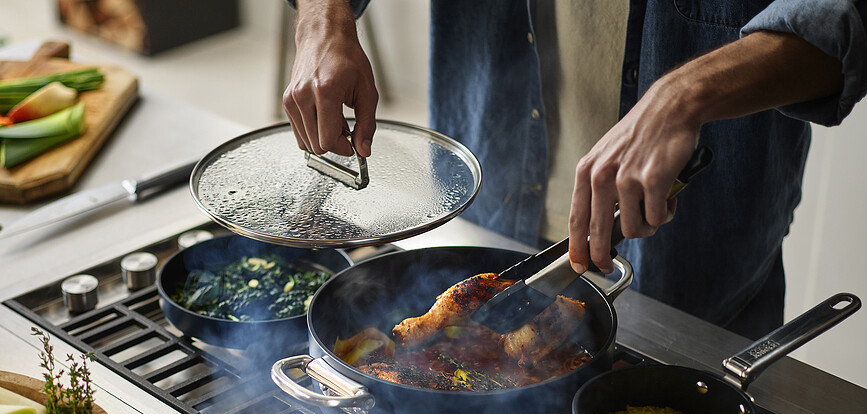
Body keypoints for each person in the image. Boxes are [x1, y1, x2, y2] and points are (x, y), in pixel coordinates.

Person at [282, 0, 867, 339]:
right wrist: (322, 17)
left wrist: (684, 95)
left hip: (700, 265)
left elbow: (845, 19)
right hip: (486, 202)